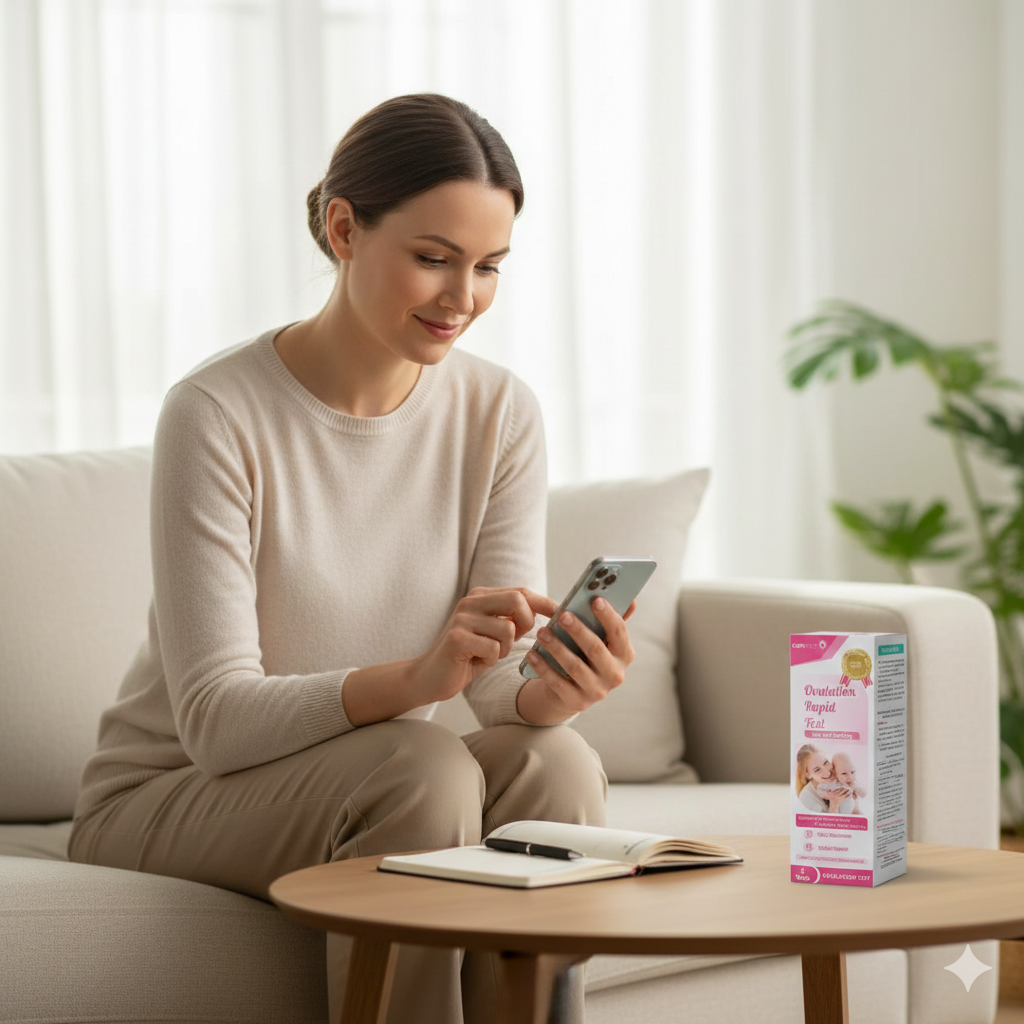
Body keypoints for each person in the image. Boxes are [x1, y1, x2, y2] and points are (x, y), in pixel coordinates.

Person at [67, 93, 640, 1024]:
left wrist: (555, 686)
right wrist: (418, 676)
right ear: (344, 228)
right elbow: (214, 721)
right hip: (171, 791)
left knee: (556, 764)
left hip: (364, 773)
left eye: (489, 267)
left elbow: (498, 697)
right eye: (433, 259)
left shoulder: (500, 413)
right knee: (422, 767)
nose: (464, 299)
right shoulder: (216, 413)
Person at [794, 744, 851, 814]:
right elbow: (822, 824)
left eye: (826, 762)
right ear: (808, 775)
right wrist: (834, 805)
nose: (827, 772)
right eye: (817, 770)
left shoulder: (839, 776)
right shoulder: (806, 797)